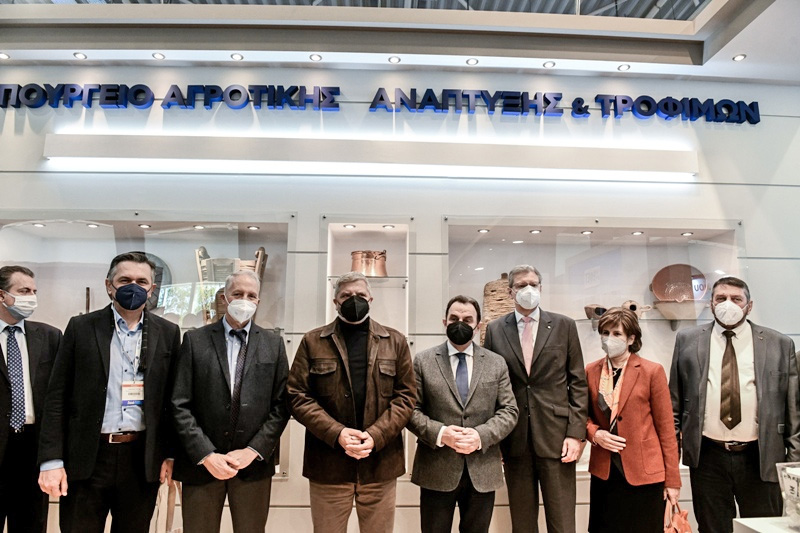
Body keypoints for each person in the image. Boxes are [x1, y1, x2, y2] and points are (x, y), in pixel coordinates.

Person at [37, 252, 181, 533]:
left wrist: (170, 454)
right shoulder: (80, 327)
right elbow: (56, 397)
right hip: (88, 456)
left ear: (152, 289)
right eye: (125, 280)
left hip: (141, 460)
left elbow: (171, 401)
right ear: (109, 285)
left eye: (142, 281)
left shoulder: (168, 333)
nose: (133, 287)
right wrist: (51, 459)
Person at [287, 271, 416, 533]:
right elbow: (297, 395)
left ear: (371, 299)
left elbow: (406, 396)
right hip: (328, 466)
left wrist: (376, 435)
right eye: (346, 295)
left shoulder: (396, 341)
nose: (354, 300)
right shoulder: (312, 341)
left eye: (360, 295)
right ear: (335, 301)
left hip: (380, 465)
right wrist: (338, 433)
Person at [670, 276, 800, 533]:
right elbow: (674, 400)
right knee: (712, 527)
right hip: (708, 456)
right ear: (711, 303)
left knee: (764, 528)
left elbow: (793, 410)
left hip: (761, 456)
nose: (727, 304)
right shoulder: (688, 340)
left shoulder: (779, 344)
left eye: (736, 299)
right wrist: (671, 459)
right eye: (721, 298)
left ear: (749, 306)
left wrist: (793, 464)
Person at [172, 270, 289, 533]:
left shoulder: (274, 344)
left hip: (252, 465)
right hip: (202, 465)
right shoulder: (195, 340)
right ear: (225, 298)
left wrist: (253, 450)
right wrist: (206, 454)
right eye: (237, 293)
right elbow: (179, 403)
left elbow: (281, 405)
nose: (244, 300)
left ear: (258, 301)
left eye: (251, 295)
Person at [483, 264, 587, 533]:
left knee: (562, 522)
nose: (528, 289)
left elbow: (577, 382)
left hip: (557, 437)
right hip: (514, 439)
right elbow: (491, 388)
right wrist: (495, 439)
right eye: (521, 285)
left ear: (541, 288)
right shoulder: (495, 329)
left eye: (533, 284)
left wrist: (576, 434)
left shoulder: (564, 326)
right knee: (522, 522)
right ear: (510, 292)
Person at [407, 295, 518, 533]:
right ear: (444, 322)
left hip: (482, 469)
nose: (460, 323)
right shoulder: (423, 361)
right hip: (436, 468)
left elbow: (509, 411)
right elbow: (410, 410)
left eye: (467, 320)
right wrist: (441, 433)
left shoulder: (496, 363)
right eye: (454, 318)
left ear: (478, 326)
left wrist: (480, 435)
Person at [585, 307, 680, 533]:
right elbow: (581, 415)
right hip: (605, 471)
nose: (609, 338)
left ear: (631, 338)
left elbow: (667, 430)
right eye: (605, 333)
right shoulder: (591, 371)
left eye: (616, 333)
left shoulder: (651, 371)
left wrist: (673, 481)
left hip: (645, 471)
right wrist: (594, 434)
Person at [0, 266, 61, 533]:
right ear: (1, 295)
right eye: (24, 291)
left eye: (34, 291)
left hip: (33, 448)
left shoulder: (50, 337)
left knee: (31, 524)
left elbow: (58, 396)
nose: (31, 297)